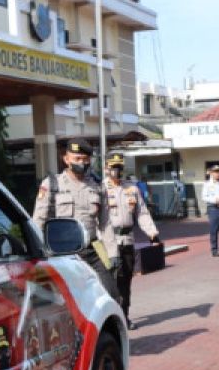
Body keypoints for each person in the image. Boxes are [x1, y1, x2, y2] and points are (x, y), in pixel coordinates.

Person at [31, 138, 118, 300]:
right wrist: (37, 255)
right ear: (66, 159)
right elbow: (38, 221)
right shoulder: (52, 184)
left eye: (85, 159)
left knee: (111, 294)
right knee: (69, 300)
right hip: (61, 254)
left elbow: (105, 223)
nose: (81, 163)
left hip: (90, 251)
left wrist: (113, 254)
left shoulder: (98, 186)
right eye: (77, 158)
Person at [102, 153, 161, 330]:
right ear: (106, 167)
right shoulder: (100, 189)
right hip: (107, 242)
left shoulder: (132, 189)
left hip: (127, 240)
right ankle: (108, 320)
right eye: (113, 167)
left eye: (119, 167)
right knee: (108, 281)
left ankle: (124, 316)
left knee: (125, 281)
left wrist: (152, 233)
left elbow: (142, 213)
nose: (116, 170)